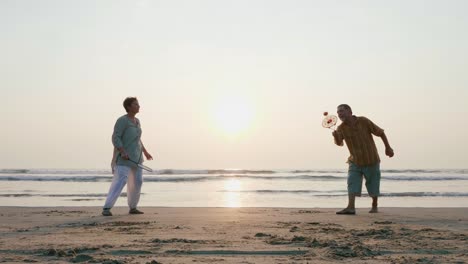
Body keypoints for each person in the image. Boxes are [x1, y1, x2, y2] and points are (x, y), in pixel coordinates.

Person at [332, 104, 394, 215]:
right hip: (355, 161)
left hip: (371, 159)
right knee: (351, 181)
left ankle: (374, 205)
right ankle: (351, 207)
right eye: (338, 112)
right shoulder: (341, 128)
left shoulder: (363, 121)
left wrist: (388, 147)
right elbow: (339, 143)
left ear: (350, 111)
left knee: (373, 184)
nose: (339, 114)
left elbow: (380, 132)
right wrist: (335, 136)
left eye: (342, 111)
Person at [102, 97, 153, 216]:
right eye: (136, 104)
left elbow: (138, 139)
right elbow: (115, 137)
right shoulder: (122, 120)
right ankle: (107, 208)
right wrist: (122, 150)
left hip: (137, 157)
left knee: (138, 181)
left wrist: (145, 151)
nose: (138, 106)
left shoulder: (137, 121)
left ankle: (133, 207)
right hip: (124, 158)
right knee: (120, 181)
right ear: (129, 107)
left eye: (138, 104)